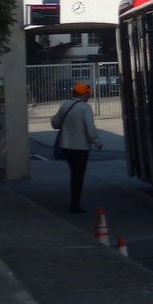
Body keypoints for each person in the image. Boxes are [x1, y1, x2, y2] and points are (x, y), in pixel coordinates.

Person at [51, 83, 103, 213]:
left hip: (66, 146)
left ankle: (74, 204)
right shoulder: (85, 108)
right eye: (88, 93)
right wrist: (97, 142)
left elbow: (55, 123)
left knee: (74, 174)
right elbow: (90, 127)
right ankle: (75, 205)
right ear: (82, 94)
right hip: (80, 147)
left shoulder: (65, 105)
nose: (89, 95)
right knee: (78, 176)